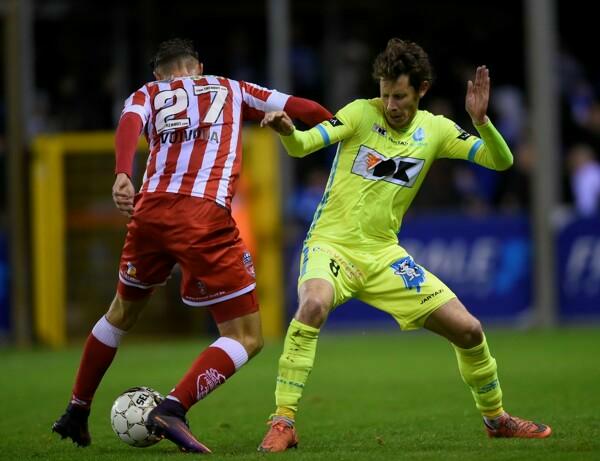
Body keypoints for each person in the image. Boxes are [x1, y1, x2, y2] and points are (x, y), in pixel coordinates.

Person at [257, 38, 552, 452]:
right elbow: (303, 145)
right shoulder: (360, 113)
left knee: (469, 330)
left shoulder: (436, 130)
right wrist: (289, 132)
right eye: (385, 95)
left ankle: (496, 418)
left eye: (399, 96)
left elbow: (501, 161)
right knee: (314, 305)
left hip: (383, 256)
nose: (390, 105)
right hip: (330, 245)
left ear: (422, 89)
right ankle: (283, 420)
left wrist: (481, 121)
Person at [52, 38, 332, 453]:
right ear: (198, 66)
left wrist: (122, 173)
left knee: (120, 313)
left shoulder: (147, 93)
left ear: (158, 73)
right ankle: (172, 408)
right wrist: (345, 126)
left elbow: (128, 125)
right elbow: (304, 108)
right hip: (203, 216)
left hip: (148, 214)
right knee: (246, 336)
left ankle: (76, 410)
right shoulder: (231, 87)